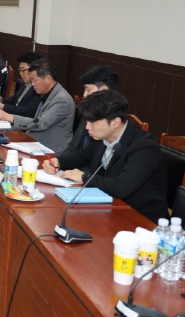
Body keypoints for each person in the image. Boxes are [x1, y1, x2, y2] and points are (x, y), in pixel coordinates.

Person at [43, 90, 167, 224]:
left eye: (93, 122)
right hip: (108, 205)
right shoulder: (103, 136)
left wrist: (84, 177)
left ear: (115, 122)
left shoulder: (144, 147)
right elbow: (83, 156)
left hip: (140, 219)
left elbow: (120, 187)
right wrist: (59, 161)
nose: (87, 127)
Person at [0, 59, 74, 154]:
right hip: (34, 142)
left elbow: (42, 123)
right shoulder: (47, 93)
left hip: (51, 150)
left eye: (34, 80)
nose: (32, 84)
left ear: (48, 79)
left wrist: (9, 117)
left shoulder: (62, 99)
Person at [65, 65, 119, 153]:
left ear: (104, 90)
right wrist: (59, 160)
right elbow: (73, 145)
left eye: (88, 90)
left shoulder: (110, 123)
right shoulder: (89, 112)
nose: (84, 94)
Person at [0, 51, 42, 119]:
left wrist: (2, 106)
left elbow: (29, 112)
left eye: (23, 70)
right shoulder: (25, 83)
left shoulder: (39, 88)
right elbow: (14, 99)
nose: (20, 73)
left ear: (34, 69)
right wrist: (1, 100)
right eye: (20, 70)